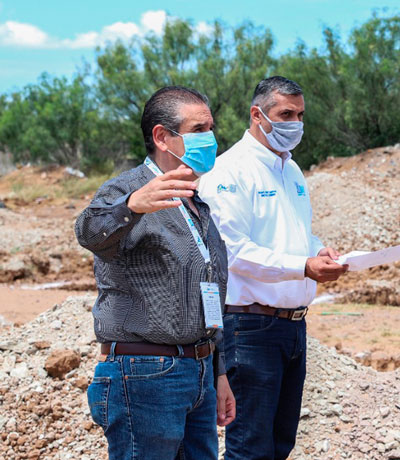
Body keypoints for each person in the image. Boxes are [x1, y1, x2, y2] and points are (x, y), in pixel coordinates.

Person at [75, 86, 236, 460]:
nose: (210, 138)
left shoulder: (195, 201)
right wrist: (131, 206)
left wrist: (218, 371)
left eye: (211, 128)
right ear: (162, 137)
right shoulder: (127, 189)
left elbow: (209, 293)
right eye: (198, 129)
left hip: (198, 370)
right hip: (145, 374)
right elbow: (87, 231)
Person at [198, 76, 347, 460]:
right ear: (257, 115)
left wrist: (318, 251)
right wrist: (303, 266)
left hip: (293, 326)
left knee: (280, 444)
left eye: (300, 115)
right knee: (250, 446)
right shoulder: (230, 171)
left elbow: (296, 234)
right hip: (249, 327)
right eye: (285, 114)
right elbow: (232, 251)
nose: (295, 124)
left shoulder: (291, 170)